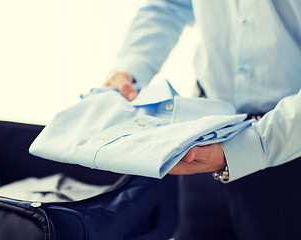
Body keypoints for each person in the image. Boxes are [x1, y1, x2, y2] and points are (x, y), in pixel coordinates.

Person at [104, 1, 301, 239]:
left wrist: (250, 146)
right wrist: (129, 68)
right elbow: (171, 4)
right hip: (206, 135)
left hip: (290, 152)